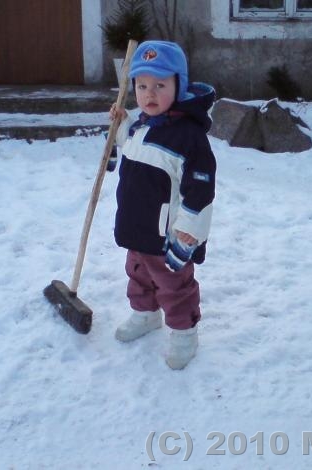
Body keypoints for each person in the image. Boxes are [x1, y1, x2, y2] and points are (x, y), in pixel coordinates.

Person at [109, 40, 216, 370]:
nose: (149, 94)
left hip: (168, 233)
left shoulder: (189, 137)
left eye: (159, 85)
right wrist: (121, 124)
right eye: (142, 86)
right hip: (136, 226)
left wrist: (188, 230)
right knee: (138, 273)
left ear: (178, 86)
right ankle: (145, 314)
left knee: (175, 284)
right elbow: (132, 149)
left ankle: (185, 333)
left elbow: (201, 189)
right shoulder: (142, 125)